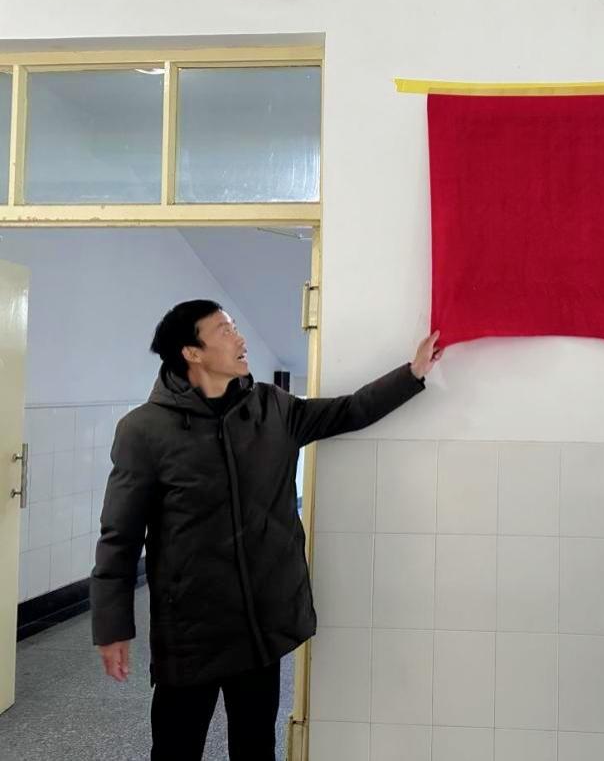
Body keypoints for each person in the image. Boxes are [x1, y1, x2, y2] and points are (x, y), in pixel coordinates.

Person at [91, 299, 442, 761]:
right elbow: (120, 535)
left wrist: (412, 373)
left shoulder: (272, 408)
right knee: (177, 746)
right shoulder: (144, 430)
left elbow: (350, 411)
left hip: (260, 623)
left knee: (256, 745)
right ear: (192, 353)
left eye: (236, 326)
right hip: (191, 629)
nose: (240, 339)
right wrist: (112, 626)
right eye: (224, 331)